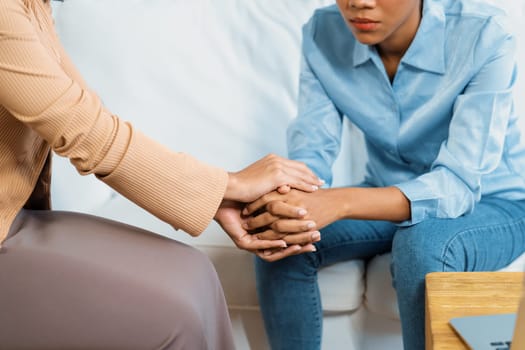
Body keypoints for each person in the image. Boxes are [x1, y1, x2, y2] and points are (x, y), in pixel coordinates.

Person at [0, 0, 322, 348]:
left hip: (14, 217)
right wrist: (224, 186)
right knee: (174, 315)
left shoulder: (31, 5)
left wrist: (217, 199)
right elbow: (82, 131)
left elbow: (85, 109)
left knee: (194, 272)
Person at [245, 0, 525, 349]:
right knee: (282, 232)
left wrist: (341, 202)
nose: (359, 3)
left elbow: (459, 185)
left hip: (491, 202)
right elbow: (311, 153)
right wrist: (291, 198)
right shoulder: (323, 32)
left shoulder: (484, 34)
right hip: (384, 192)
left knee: (421, 243)